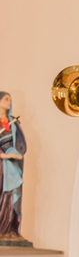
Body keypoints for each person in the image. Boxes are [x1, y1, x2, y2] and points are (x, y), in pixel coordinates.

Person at [0, 91, 28, 241]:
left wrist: (17, 153)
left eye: (9, 99)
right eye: (5, 99)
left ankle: (11, 229)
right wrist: (4, 155)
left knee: (12, 195)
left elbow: (21, 143)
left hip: (13, 166)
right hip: (1, 166)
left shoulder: (13, 123)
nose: (8, 102)